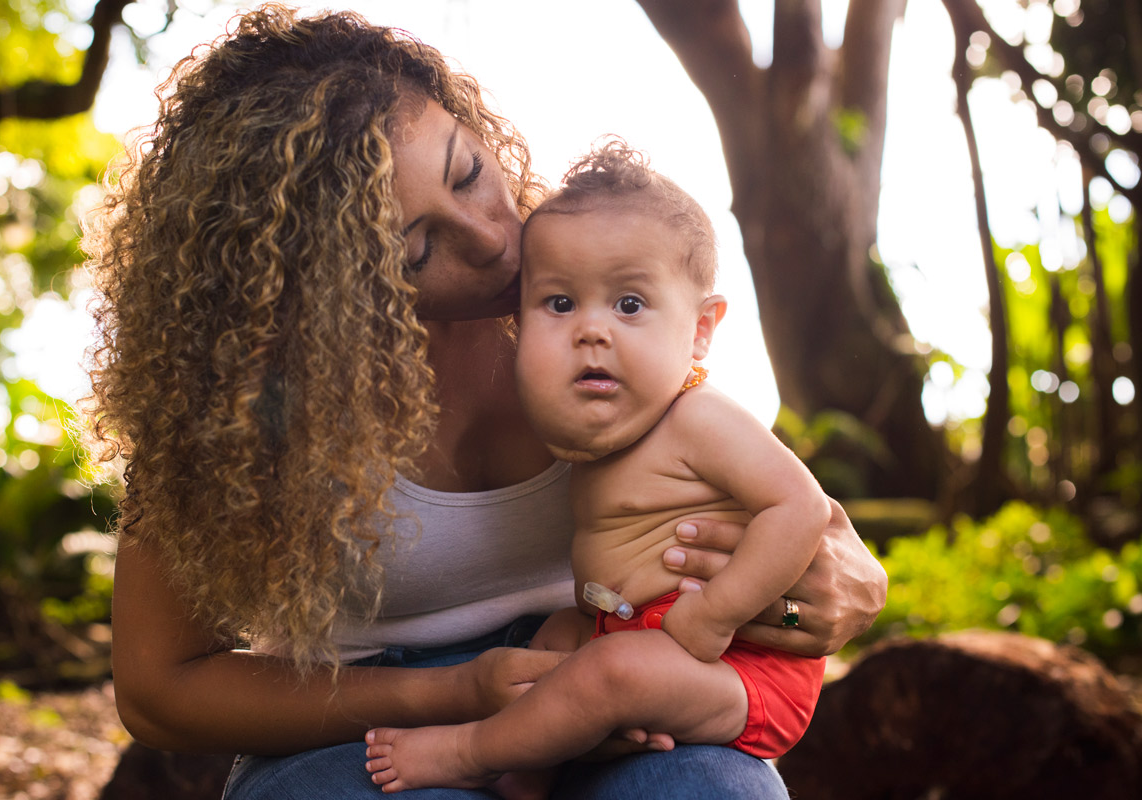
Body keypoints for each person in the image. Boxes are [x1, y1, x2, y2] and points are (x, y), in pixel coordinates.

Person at [80, 5, 887, 799]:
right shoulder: (245, 401)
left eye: (468, 172)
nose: (494, 238)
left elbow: (791, 518)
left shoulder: (605, 276)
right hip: (360, 720)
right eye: (418, 249)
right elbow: (158, 690)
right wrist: (453, 695)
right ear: (322, 289)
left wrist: (838, 586)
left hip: (611, 667)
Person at [363, 142, 831, 795]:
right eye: (560, 304)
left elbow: (803, 508)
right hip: (629, 628)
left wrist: (716, 614)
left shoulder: (700, 418)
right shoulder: (591, 419)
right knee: (559, 639)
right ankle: (532, 775)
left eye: (629, 305)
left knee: (610, 674)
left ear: (701, 329)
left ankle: (472, 753)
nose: (591, 330)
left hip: (739, 668)